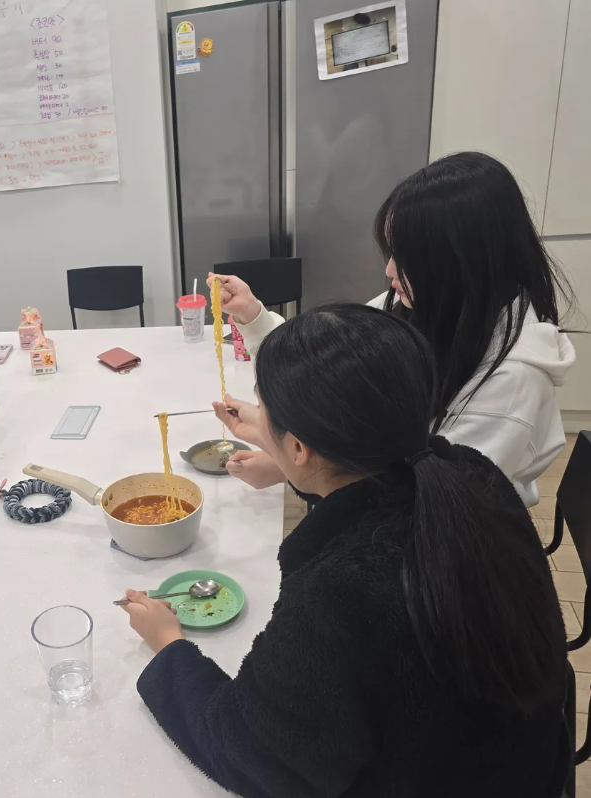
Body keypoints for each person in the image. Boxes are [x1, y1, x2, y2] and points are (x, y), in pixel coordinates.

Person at [122, 304, 569, 798]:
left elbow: (255, 757)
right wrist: (282, 448)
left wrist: (169, 647)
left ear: (299, 449)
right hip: (529, 767)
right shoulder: (469, 471)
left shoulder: (337, 594)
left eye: (264, 410)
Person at [210, 151, 576, 506]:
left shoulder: (513, 379)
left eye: (407, 257)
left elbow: (422, 505)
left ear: (460, 263)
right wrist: (253, 315)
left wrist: (290, 464)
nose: (389, 271)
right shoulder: (420, 302)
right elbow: (325, 367)